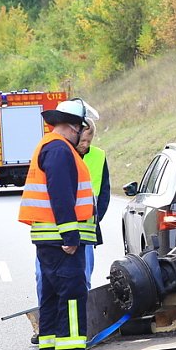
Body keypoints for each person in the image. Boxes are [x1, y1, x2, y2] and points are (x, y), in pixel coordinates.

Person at [19, 98, 107, 350]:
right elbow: (61, 193)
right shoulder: (59, 149)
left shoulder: (52, 146)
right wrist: (70, 234)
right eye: (83, 128)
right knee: (70, 298)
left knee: (52, 297)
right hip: (62, 241)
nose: (85, 134)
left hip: (49, 239)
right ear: (73, 127)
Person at [77, 117, 111, 283]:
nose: (85, 145)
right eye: (82, 140)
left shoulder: (98, 156)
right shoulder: (64, 154)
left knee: (85, 277)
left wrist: (96, 218)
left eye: (88, 141)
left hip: (88, 228)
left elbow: (104, 192)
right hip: (66, 228)